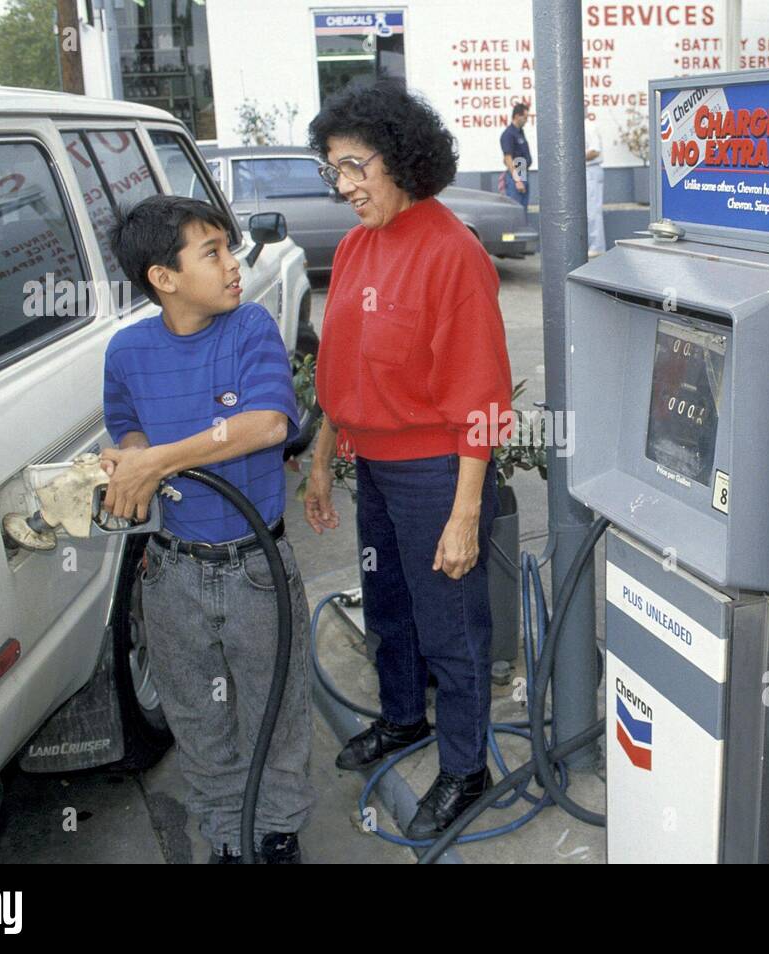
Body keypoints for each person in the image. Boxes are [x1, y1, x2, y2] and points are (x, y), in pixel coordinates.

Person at [304, 80, 514, 839]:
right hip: (376, 469)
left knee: (451, 630)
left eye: (357, 166)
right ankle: (402, 722)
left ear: (400, 158)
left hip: (437, 473)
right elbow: (342, 369)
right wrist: (325, 457)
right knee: (388, 609)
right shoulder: (360, 245)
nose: (346, 187)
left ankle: (466, 767)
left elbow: (484, 399)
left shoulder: (451, 252)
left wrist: (463, 514)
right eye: (335, 171)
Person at [101, 195, 312, 864]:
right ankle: (225, 835)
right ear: (163, 278)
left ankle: (276, 833)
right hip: (171, 571)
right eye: (212, 252)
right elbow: (124, 421)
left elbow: (268, 425)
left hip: (257, 568)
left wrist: (156, 460)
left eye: (230, 248)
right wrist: (127, 456)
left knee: (274, 711)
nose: (233, 265)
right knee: (196, 716)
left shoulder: (249, 328)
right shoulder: (128, 351)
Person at [500, 101, 532, 216]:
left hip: (522, 171)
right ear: (517, 116)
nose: (526, 120)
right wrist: (517, 180)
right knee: (515, 213)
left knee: (523, 212)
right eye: (525, 117)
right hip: (516, 175)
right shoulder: (509, 134)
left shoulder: (520, 133)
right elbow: (508, 158)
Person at [585, 117, 606, 255]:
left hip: (591, 170)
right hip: (587, 171)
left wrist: (574, 157)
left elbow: (594, 151)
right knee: (588, 210)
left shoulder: (589, 127)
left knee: (593, 210)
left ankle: (597, 246)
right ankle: (593, 245)